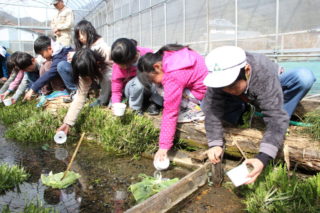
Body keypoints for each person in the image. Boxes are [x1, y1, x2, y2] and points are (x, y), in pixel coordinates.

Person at [203, 46, 316, 184]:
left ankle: (276, 124)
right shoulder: (220, 77)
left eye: (232, 86)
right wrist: (215, 143)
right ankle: (240, 113)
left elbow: (275, 117)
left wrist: (263, 158)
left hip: (271, 85)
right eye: (223, 86)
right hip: (245, 93)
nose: (227, 90)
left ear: (247, 70)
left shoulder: (264, 73)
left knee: (304, 77)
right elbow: (212, 111)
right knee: (206, 104)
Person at [138, 44, 208, 162]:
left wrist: (163, 147)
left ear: (157, 67)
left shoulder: (173, 75)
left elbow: (170, 112)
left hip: (204, 96)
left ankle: (197, 112)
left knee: (162, 92)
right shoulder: (169, 54)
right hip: (207, 86)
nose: (154, 83)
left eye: (152, 79)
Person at [57, 49, 108, 135]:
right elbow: (80, 96)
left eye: (87, 75)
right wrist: (67, 123)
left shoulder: (107, 64)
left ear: (96, 64)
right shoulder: (83, 71)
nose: (86, 78)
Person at [69, 19, 112, 107]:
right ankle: (81, 94)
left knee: (106, 77)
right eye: (78, 35)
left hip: (107, 70)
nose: (80, 37)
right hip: (96, 71)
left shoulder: (101, 46)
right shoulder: (86, 45)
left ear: (90, 32)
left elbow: (105, 65)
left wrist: (78, 55)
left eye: (83, 34)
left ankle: (103, 100)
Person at [111, 38, 159, 115]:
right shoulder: (117, 66)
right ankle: (135, 109)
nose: (120, 67)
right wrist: (115, 104)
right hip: (132, 90)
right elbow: (116, 89)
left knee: (158, 76)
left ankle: (154, 103)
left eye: (122, 65)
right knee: (139, 82)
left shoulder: (147, 54)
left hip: (149, 88)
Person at [23, 36, 76, 101]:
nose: (43, 57)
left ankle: (74, 91)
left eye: (42, 54)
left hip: (79, 76)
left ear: (49, 49)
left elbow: (50, 74)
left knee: (61, 65)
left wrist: (33, 89)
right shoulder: (59, 52)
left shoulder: (59, 56)